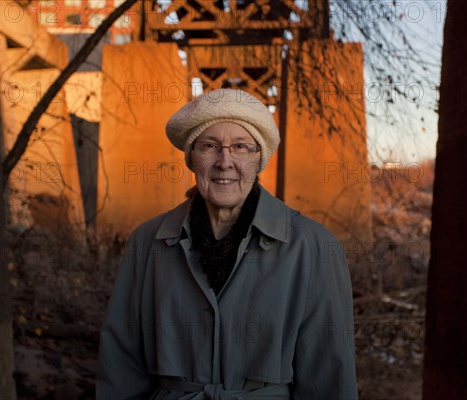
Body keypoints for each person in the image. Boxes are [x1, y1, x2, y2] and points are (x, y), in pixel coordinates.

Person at [97, 89, 358, 399]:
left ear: (259, 159)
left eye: (241, 147)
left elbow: (329, 376)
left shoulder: (311, 247)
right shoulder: (149, 242)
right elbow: (121, 363)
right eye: (209, 146)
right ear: (191, 158)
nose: (225, 162)